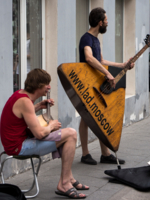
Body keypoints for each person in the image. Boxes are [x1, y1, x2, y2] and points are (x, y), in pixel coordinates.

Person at [0, 69, 88, 199]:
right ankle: (65, 183)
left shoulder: (20, 95)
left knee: (67, 136)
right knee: (71, 134)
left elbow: (22, 114)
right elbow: (40, 134)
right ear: (38, 86)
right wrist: (52, 125)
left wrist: (39, 106)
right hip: (18, 147)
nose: (49, 87)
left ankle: (68, 179)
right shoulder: (25, 102)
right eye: (46, 84)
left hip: (16, 143)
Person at [79, 7, 134, 165]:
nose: (108, 24)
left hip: (96, 83)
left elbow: (101, 61)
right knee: (85, 117)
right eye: (106, 21)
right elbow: (89, 58)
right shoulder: (86, 39)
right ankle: (85, 154)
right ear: (99, 22)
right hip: (86, 84)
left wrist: (122, 65)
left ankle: (105, 153)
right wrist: (108, 74)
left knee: (98, 116)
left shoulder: (96, 40)